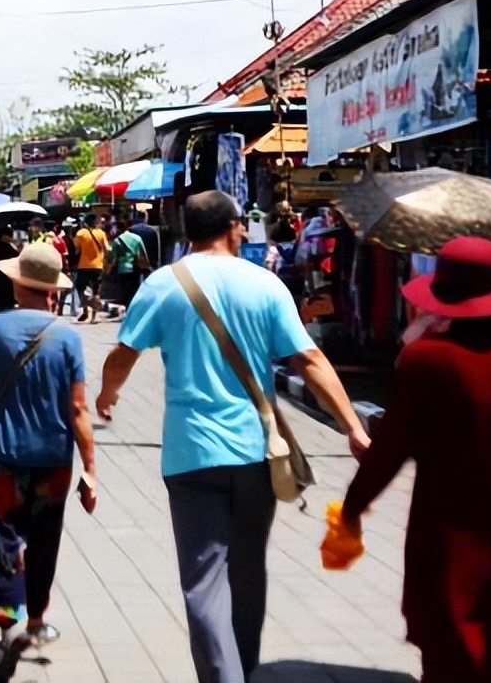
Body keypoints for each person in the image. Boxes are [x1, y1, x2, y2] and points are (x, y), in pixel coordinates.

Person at [97, 190, 370, 682]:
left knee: (204, 584)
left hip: (191, 455)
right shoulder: (264, 285)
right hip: (256, 454)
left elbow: (122, 355)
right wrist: (352, 426)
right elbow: (308, 360)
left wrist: (106, 396)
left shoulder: (162, 285)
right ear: (232, 227)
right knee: (247, 573)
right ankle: (243, 669)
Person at [336, 237, 491, 683]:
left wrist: (352, 508)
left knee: (454, 660)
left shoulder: (426, 359)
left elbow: (389, 451)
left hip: (450, 545)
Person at [0, 242, 97, 682]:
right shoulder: (68, 337)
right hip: (53, 459)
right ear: (52, 290)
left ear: (18, 284)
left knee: (0, 539)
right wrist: (90, 467)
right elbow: (78, 410)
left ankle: (4, 630)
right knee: (44, 540)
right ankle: (37, 621)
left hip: (1, 455)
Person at [72, 213, 108, 324]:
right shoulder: (101, 233)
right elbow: (107, 248)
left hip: (83, 266)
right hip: (98, 266)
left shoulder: (81, 233)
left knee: (81, 289)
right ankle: (94, 317)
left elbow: (77, 248)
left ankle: (86, 310)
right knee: (96, 291)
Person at [106, 225, 149, 310]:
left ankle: (127, 308)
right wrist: (146, 265)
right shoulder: (137, 238)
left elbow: (112, 257)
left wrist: (107, 269)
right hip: (135, 269)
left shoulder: (117, 241)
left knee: (124, 291)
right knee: (134, 289)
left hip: (122, 269)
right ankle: (135, 308)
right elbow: (142, 254)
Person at [0, 225, 19, 313]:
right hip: (5, 275)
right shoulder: (2, 247)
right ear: (4, 236)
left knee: (1, 299)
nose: (11, 237)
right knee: (5, 299)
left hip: (1, 275)